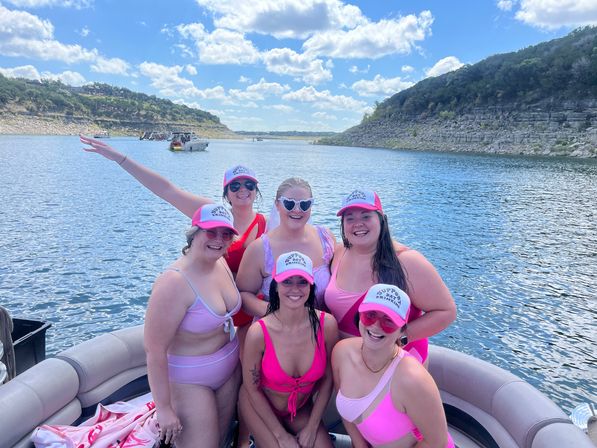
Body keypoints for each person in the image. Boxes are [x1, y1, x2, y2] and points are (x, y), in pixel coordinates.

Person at [79, 135, 266, 329]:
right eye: (235, 185)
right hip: (215, 311)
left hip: (251, 314)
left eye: (249, 185)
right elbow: (168, 190)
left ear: (256, 190)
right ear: (226, 192)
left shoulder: (268, 225)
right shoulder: (212, 214)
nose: (242, 190)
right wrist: (121, 159)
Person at [144, 204, 242, 447]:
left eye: (226, 234)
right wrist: (164, 409)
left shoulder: (220, 262)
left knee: (221, 441)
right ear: (194, 233)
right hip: (191, 382)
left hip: (229, 371)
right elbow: (154, 350)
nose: (219, 240)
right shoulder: (174, 282)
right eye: (211, 232)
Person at [324, 189, 456, 363]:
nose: (358, 224)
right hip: (350, 360)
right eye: (350, 218)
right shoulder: (340, 252)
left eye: (366, 216)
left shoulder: (407, 261)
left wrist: (399, 338)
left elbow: (446, 311)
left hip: (395, 361)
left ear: (381, 219)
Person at [332, 284, 455, 448]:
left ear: (402, 329)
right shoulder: (342, 353)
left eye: (388, 321)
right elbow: (348, 415)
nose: (376, 326)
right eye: (370, 315)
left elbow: (436, 442)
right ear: (359, 315)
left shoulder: (411, 378)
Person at [239, 251, 338, 448]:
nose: (295, 289)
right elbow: (251, 388)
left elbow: (328, 379)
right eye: (287, 282)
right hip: (258, 407)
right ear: (275, 286)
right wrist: (281, 436)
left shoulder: (326, 326)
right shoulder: (259, 333)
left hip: (299, 410)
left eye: (302, 282)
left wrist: (312, 426)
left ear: (311, 285)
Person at [236, 177, 335, 317]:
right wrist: (281, 315)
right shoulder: (259, 249)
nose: (297, 210)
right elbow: (244, 295)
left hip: (321, 329)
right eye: (289, 204)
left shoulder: (326, 239)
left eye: (304, 204)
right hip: (275, 331)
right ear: (277, 205)